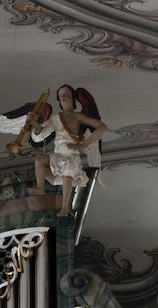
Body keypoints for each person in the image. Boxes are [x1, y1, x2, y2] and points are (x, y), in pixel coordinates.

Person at [27, 84, 107, 217]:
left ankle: (65, 207)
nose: (63, 97)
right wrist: (34, 123)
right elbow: (41, 135)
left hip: (71, 155)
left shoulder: (78, 116)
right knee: (39, 159)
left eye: (66, 94)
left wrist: (84, 145)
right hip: (58, 153)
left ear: (72, 98)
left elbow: (102, 127)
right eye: (61, 96)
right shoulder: (55, 119)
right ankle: (40, 188)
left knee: (67, 173)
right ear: (59, 100)